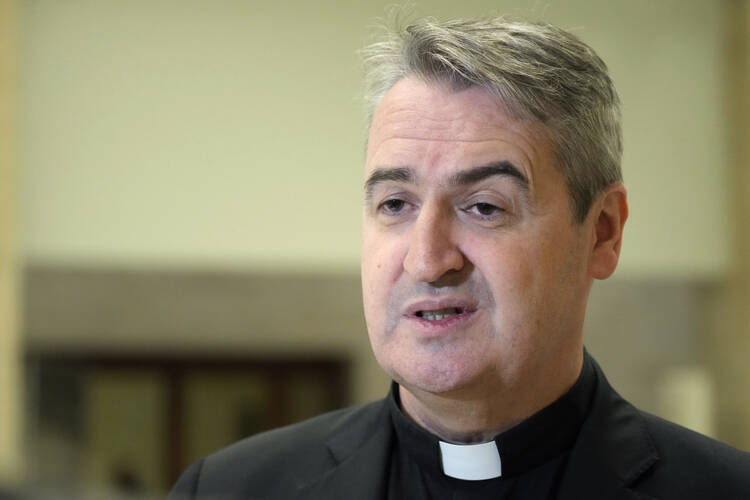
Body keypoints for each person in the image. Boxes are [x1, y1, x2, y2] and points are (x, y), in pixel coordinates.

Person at [169, 16, 750, 499]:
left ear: (601, 233)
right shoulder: (229, 490)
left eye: (484, 208)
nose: (428, 260)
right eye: (395, 203)